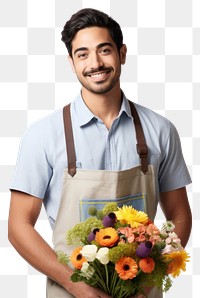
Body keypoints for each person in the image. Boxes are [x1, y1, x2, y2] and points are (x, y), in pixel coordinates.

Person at [8, 8, 192, 298]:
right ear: (71, 62)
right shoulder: (42, 135)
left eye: (104, 50)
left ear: (122, 53)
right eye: (82, 54)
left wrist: (149, 278)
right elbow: (18, 226)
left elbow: (179, 213)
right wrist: (74, 284)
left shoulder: (160, 130)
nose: (95, 63)